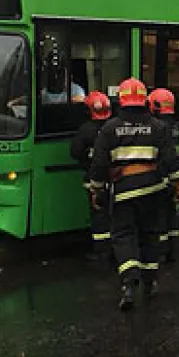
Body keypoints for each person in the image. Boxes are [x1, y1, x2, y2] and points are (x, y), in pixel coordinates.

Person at [88, 78, 179, 310]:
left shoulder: (109, 129)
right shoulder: (158, 127)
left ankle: (129, 283)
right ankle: (150, 282)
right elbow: (170, 161)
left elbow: (99, 165)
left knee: (123, 236)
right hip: (153, 192)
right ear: (144, 100)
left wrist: (97, 190)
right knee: (149, 235)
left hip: (123, 194)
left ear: (121, 99)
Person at [70, 92, 113, 253]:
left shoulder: (86, 130)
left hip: (93, 180)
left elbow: (75, 151)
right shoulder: (114, 127)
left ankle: (102, 253)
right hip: (116, 179)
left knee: (99, 216)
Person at [148, 88, 179, 262]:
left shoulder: (157, 127)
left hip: (160, 178)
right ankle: (173, 249)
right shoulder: (173, 125)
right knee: (171, 213)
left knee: (160, 215)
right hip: (172, 177)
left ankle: (160, 251)